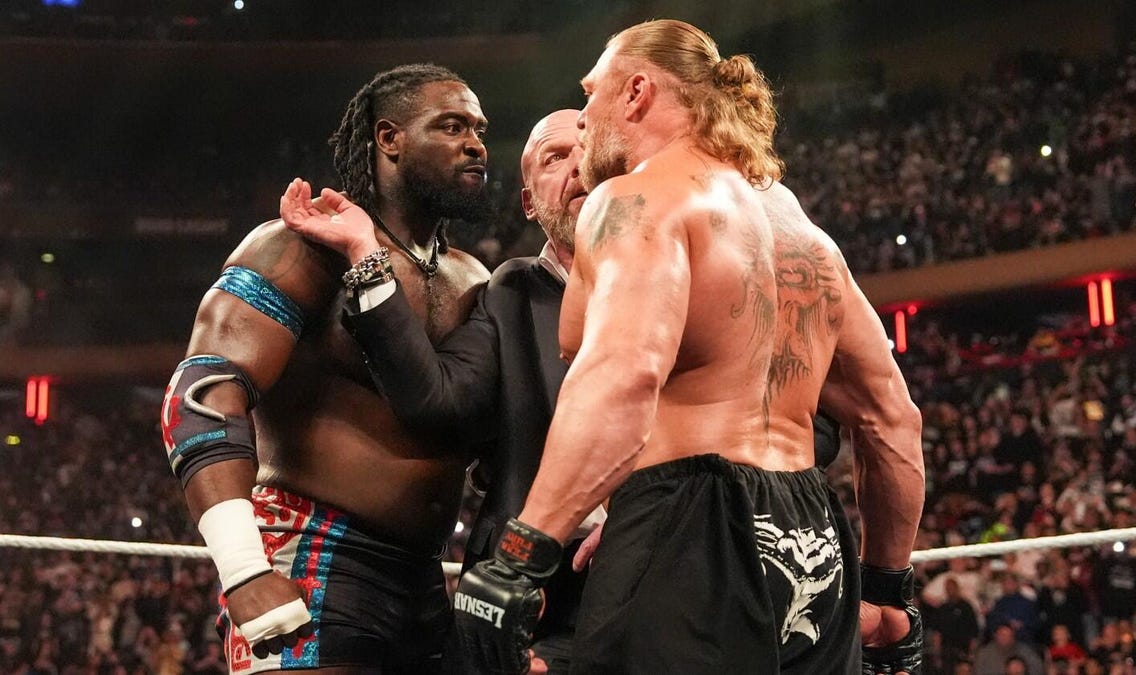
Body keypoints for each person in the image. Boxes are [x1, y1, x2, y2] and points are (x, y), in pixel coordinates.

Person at [280, 108, 847, 674]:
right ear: (530, 201)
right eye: (554, 159)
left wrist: (658, 505)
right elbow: (434, 405)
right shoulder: (512, 294)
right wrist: (366, 260)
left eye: (590, 149)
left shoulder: (711, 276)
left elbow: (803, 428)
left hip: (689, 578)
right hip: (538, 604)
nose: (577, 166)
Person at [449, 19, 925, 675]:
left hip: (688, 528)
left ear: (636, 91)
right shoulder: (798, 228)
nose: (584, 117)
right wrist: (887, 590)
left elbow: (623, 378)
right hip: (811, 531)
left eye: (592, 94)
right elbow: (891, 418)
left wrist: (521, 554)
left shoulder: (635, 197)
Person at [159, 63, 493, 673]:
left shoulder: (473, 280)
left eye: (479, 129)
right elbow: (202, 393)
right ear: (389, 139)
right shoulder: (299, 247)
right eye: (451, 126)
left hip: (426, 579)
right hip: (311, 551)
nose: (475, 143)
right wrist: (242, 568)